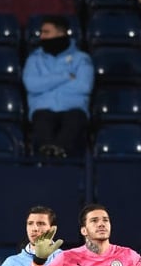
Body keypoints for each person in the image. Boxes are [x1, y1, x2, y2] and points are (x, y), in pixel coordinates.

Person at [22, 16, 94, 159]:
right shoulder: (34, 59)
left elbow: (84, 86)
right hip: (43, 109)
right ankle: (46, 158)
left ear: (61, 33)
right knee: (42, 122)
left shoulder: (81, 58)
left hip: (73, 109)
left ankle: (60, 153)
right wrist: (65, 77)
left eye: (46, 32)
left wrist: (47, 85)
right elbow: (32, 85)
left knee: (75, 120)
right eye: (41, 32)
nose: (41, 36)